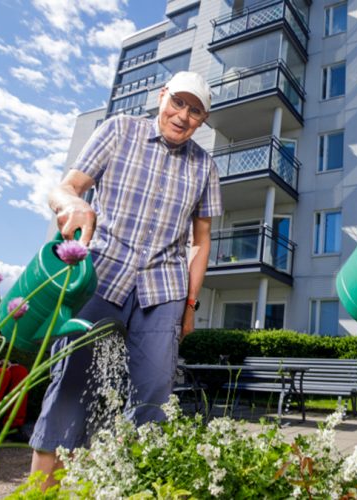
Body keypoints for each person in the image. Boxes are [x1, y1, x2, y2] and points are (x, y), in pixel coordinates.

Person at [28, 71, 222, 488]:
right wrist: (72, 205)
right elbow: (66, 187)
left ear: (203, 120)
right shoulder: (119, 130)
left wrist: (190, 305)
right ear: (162, 96)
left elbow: (201, 242)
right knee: (71, 385)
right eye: (178, 102)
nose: (183, 115)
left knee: (153, 395)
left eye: (195, 111)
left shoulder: (205, 166)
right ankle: (39, 494)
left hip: (164, 289)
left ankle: (129, 489)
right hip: (101, 276)